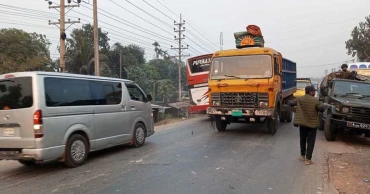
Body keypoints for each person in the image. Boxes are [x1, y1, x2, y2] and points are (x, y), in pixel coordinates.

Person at [290, 86, 324, 165]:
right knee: (310, 141)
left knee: (303, 139)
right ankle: (308, 159)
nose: (314, 93)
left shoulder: (299, 99)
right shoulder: (315, 100)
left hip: (302, 123)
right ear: (311, 92)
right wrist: (321, 105)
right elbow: (321, 109)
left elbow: (291, 103)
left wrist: (295, 110)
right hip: (312, 125)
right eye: (314, 91)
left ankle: (302, 155)